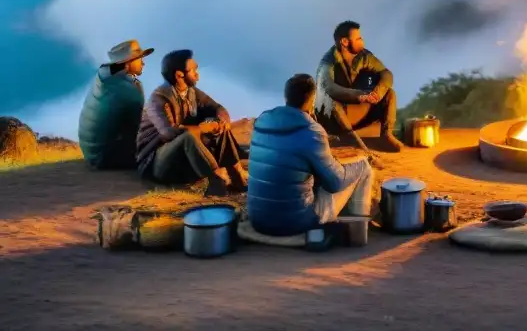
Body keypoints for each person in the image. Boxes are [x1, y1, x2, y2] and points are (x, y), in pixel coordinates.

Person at [248, 74, 376, 237]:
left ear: (286, 96)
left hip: (258, 219)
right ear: (312, 99)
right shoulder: (311, 131)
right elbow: (335, 183)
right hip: (296, 222)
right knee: (363, 167)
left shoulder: (261, 122)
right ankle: (358, 233)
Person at [136, 49, 248, 192]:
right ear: (179, 75)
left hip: (184, 161)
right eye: (193, 70)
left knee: (220, 131)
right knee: (187, 137)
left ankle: (237, 178)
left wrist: (221, 121)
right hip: (158, 165)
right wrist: (204, 128)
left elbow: (217, 107)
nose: (197, 74)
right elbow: (169, 133)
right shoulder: (158, 99)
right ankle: (215, 182)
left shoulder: (192, 92)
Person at [315, 21, 403, 153]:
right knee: (330, 101)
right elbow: (329, 87)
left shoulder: (365, 56)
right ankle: (338, 138)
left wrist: (377, 92)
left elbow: (386, 73)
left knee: (389, 93)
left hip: (359, 111)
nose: (362, 41)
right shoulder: (328, 62)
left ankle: (386, 135)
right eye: (358, 38)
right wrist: (359, 96)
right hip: (336, 117)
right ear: (344, 42)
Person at [77, 40, 151, 170]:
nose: (143, 63)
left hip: (92, 152)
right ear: (128, 62)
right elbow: (139, 126)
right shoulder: (127, 88)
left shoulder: (105, 76)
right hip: (105, 157)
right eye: (139, 59)